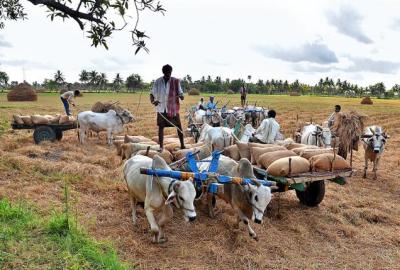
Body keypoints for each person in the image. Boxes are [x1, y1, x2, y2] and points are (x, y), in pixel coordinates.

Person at [150, 64, 185, 152]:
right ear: (163, 72)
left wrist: (181, 96)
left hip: (173, 109)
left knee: (179, 127)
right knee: (161, 127)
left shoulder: (176, 81)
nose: (168, 74)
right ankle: (161, 147)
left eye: (169, 72)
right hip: (161, 108)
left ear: (171, 72)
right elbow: (152, 94)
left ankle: (182, 145)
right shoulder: (158, 81)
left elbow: (181, 93)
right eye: (166, 72)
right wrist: (153, 101)